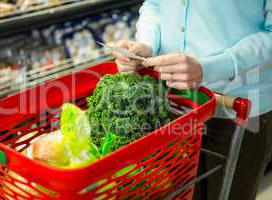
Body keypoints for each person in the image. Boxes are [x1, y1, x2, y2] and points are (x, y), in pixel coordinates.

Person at [113, 0, 272, 200]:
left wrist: (211, 67)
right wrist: (146, 43)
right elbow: (154, 4)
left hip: (237, 110)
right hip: (172, 106)